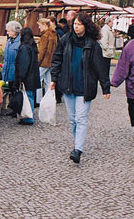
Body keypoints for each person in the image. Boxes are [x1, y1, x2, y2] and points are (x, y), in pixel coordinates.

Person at [50, 12, 110, 164]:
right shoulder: (66, 40)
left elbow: (100, 67)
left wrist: (105, 87)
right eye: (74, 24)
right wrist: (54, 79)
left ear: (85, 26)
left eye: (79, 24)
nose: (76, 27)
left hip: (85, 86)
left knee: (81, 118)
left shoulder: (92, 45)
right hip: (68, 85)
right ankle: (78, 142)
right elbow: (57, 59)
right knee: (72, 119)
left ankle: (78, 149)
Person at [15, 27, 40, 125]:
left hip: (27, 77)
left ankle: (28, 117)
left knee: (27, 96)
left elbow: (23, 64)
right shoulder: (32, 46)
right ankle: (29, 115)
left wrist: (21, 78)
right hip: (33, 75)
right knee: (30, 96)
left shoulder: (24, 48)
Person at [2, 20, 22, 109]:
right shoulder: (9, 41)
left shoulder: (19, 42)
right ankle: (14, 108)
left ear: (14, 31)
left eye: (9, 31)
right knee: (11, 89)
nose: (7, 32)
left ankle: (17, 109)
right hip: (8, 69)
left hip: (15, 70)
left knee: (16, 89)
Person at [36, 18, 58, 98]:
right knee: (49, 82)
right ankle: (50, 98)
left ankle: (39, 100)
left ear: (44, 25)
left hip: (44, 62)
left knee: (38, 80)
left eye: (39, 25)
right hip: (51, 61)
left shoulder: (45, 35)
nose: (39, 27)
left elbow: (42, 51)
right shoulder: (54, 34)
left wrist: (38, 62)